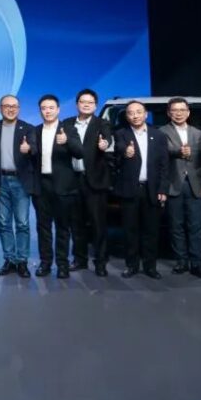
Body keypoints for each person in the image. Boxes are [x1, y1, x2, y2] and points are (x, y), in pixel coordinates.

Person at [113, 101, 169, 279]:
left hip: (151, 189)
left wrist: (163, 188)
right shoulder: (120, 134)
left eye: (139, 112)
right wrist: (124, 153)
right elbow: (115, 159)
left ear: (145, 114)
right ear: (127, 116)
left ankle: (150, 266)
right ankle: (132, 265)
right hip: (130, 189)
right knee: (130, 230)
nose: (135, 115)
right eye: (131, 113)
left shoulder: (158, 135)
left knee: (151, 231)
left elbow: (164, 165)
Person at [159, 98, 201, 279]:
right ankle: (181, 261)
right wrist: (178, 152)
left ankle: (197, 264)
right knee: (176, 226)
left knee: (196, 226)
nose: (179, 113)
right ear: (169, 113)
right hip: (173, 184)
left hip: (194, 184)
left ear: (188, 112)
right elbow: (161, 155)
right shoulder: (161, 132)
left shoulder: (198, 133)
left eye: (182, 110)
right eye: (175, 110)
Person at [65, 88, 114, 277]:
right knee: (76, 223)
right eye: (83, 102)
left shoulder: (102, 123)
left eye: (90, 102)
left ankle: (100, 262)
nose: (86, 105)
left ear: (95, 105)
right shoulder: (67, 123)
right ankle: (80, 259)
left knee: (97, 223)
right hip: (73, 180)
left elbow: (107, 139)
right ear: (77, 104)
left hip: (95, 181)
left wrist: (105, 144)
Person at [0, 95, 38, 278]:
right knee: (4, 223)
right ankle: (9, 260)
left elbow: (36, 149)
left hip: (20, 181)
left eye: (14, 106)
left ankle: (22, 261)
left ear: (19, 108)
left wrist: (29, 149)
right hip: (0, 181)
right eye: (7, 106)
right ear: (0, 108)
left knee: (22, 223)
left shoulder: (28, 128)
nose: (11, 109)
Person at [33, 95, 81, 279]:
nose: (47, 111)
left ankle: (62, 264)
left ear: (58, 110)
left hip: (63, 186)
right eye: (44, 108)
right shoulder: (36, 131)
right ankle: (45, 263)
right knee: (43, 227)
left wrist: (67, 141)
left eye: (51, 107)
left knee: (62, 227)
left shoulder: (68, 129)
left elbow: (80, 153)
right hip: (42, 185)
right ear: (40, 111)